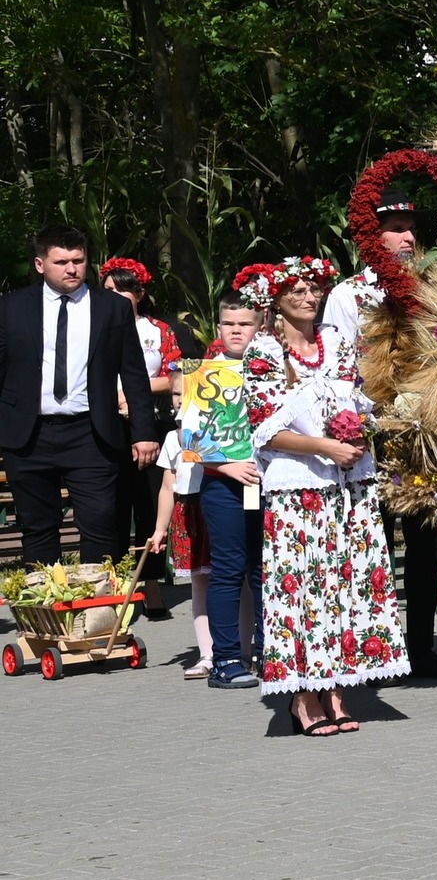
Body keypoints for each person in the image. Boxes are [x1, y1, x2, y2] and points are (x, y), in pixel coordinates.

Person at [244, 256, 410, 733]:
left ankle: (337, 688)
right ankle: (302, 695)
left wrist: (359, 435)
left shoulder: (336, 342)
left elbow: (357, 401)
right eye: (296, 290)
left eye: (314, 288)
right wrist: (324, 446)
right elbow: (265, 432)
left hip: (348, 484)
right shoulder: (263, 351)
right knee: (304, 587)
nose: (308, 296)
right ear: (276, 299)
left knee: (345, 586)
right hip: (299, 488)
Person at [321, 189, 437, 680]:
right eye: (396, 229)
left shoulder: (434, 286)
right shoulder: (349, 295)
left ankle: (421, 647)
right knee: (372, 540)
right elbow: (339, 369)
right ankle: (371, 648)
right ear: (372, 236)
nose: (408, 238)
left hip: (424, 430)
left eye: (411, 229)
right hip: (371, 431)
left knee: (425, 542)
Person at [0, 224, 157, 566]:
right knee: (37, 526)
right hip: (28, 433)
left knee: (101, 520)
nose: (71, 269)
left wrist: (144, 432)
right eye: (61, 262)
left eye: (78, 260)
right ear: (40, 264)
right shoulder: (11, 307)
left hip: (90, 431)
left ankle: (99, 599)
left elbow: (133, 373)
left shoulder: (111, 307)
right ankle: (47, 600)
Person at [191, 293, 267, 689]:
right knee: (228, 569)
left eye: (245, 324)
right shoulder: (204, 372)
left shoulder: (273, 368)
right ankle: (225, 660)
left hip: (266, 484)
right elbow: (191, 438)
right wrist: (226, 466)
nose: (236, 331)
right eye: (228, 324)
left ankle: (270, 651)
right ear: (219, 326)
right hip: (223, 484)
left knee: (264, 569)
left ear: (261, 325)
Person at [101, 257, 182, 618]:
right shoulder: (95, 327)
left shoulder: (159, 330)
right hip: (107, 425)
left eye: (122, 290)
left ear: (139, 293)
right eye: (108, 290)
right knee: (112, 507)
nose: (115, 296)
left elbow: (175, 375)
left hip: (152, 424)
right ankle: (115, 583)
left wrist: (134, 392)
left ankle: (150, 582)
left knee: (150, 505)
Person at [146, 367, 214, 678]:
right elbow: (167, 486)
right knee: (199, 584)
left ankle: (242, 649)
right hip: (187, 512)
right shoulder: (171, 438)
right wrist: (160, 529)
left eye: (188, 394)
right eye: (175, 394)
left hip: (212, 507)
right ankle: (207, 652)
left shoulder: (217, 433)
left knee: (233, 581)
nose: (180, 400)